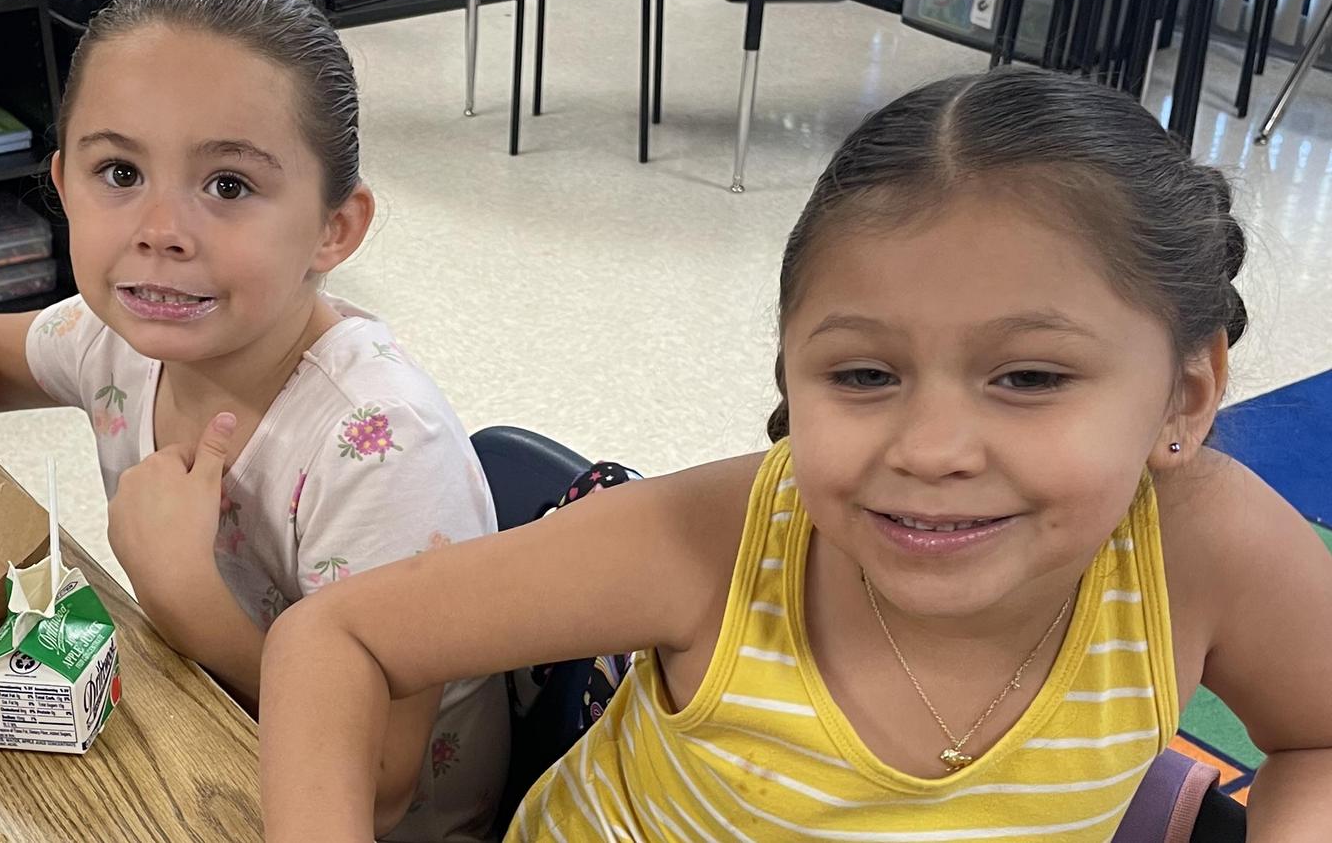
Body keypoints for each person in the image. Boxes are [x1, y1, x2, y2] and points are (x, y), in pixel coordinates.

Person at [258, 68, 1332, 840]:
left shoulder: (1203, 547)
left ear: (1183, 394)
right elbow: (337, 639)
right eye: (864, 376)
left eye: (1030, 378)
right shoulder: (716, 546)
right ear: (790, 377)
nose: (935, 449)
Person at [0, 0, 508, 841]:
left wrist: (182, 592)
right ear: (63, 184)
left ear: (333, 228)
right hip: (204, 727)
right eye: (119, 171)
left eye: (228, 185)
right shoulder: (116, 335)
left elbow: (378, 783)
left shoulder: (378, 450)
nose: (160, 229)